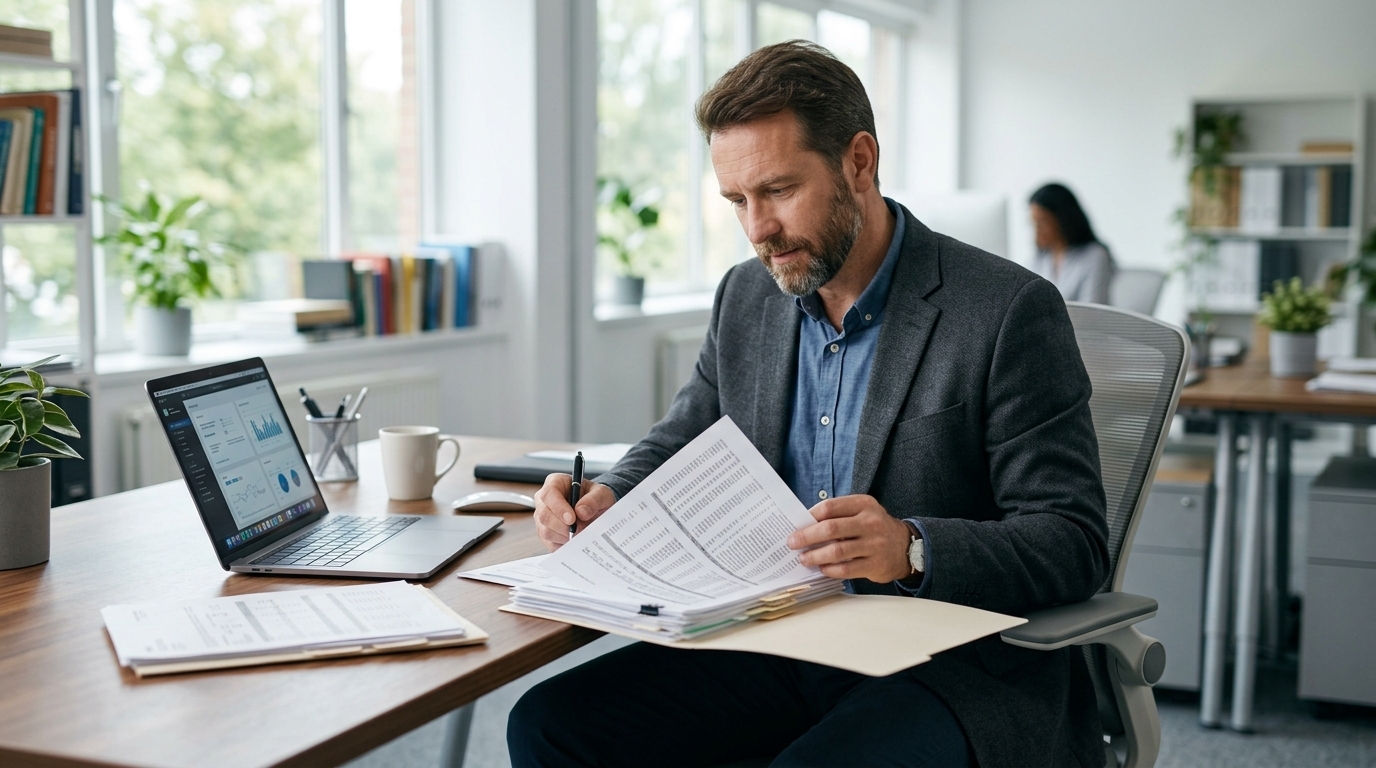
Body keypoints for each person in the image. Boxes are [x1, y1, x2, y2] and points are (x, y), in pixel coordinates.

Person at [509, 41, 1109, 768]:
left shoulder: (1007, 311)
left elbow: (1073, 542)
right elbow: (683, 433)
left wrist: (912, 547)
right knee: (550, 723)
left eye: (779, 191)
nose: (758, 228)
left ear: (859, 162)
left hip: (951, 662)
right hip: (780, 634)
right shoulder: (746, 298)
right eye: (737, 201)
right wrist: (605, 494)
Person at [1030, 182, 1116, 304]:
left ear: (1063, 219)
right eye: (1034, 223)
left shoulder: (1095, 256)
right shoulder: (1041, 258)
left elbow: (1093, 312)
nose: (1037, 230)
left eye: (1043, 222)